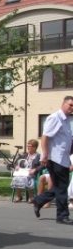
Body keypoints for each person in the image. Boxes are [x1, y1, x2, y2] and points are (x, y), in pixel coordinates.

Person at [32, 96, 73, 224]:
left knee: (61, 186)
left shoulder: (66, 121)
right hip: (55, 158)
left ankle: (38, 200)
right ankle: (62, 216)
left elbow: (65, 140)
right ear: (63, 104)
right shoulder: (55, 118)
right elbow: (45, 137)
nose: (71, 108)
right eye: (70, 105)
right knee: (61, 187)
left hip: (63, 159)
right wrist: (44, 155)